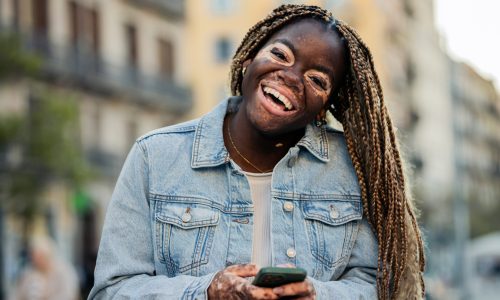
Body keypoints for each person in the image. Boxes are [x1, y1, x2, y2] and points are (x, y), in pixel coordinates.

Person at [89, 4, 425, 300]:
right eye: (280, 55)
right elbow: (112, 290)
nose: (291, 77)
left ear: (324, 108)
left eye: (317, 79)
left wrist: (318, 295)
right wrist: (205, 292)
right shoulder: (155, 156)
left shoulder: (353, 169)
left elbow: (378, 287)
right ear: (249, 58)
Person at [9, 236, 79, 300]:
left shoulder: (64, 272)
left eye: (40, 256)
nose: (36, 260)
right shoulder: (29, 273)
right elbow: (16, 295)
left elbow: (69, 295)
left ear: (48, 255)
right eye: (34, 256)